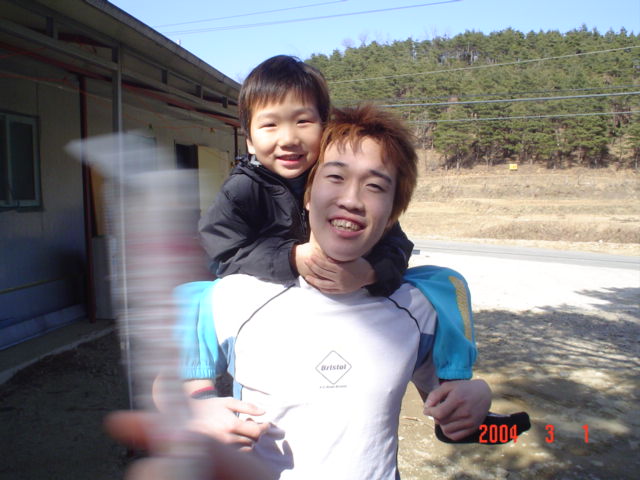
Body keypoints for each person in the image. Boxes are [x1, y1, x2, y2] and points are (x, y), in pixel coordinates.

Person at [174, 105, 527, 479]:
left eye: (375, 186)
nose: (352, 200)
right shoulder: (236, 296)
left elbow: (455, 424)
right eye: (335, 177)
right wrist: (194, 408)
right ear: (307, 195)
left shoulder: (418, 307)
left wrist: (477, 405)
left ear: (392, 214)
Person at [198, 55, 413, 297]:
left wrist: (369, 272)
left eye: (303, 121)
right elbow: (222, 254)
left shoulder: (337, 179)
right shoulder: (242, 190)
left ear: (324, 126)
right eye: (270, 125)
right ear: (249, 141)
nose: (289, 139)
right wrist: (290, 258)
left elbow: (398, 246)